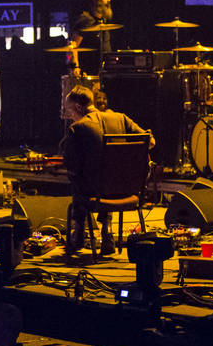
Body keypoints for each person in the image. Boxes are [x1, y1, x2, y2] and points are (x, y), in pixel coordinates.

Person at [61, 85, 154, 255]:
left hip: (96, 194)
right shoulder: (121, 119)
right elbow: (150, 141)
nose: (69, 116)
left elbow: (70, 164)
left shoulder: (78, 128)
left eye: (68, 111)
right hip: (129, 192)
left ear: (78, 108)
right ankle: (107, 231)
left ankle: (79, 233)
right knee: (106, 179)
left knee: (79, 180)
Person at [69, 0, 114, 73]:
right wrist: (75, 67)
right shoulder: (85, 19)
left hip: (104, 70)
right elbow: (73, 45)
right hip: (89, 70)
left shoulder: (103, 21)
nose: (108, 0)